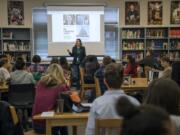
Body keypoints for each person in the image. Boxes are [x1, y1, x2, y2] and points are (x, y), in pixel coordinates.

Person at [85, 63, 139, 135]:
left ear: (105, 81)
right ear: (123, 80)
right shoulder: (135, 103)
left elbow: (90, 132)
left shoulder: (97, 104)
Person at [32, 64, 69, 135]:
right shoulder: (61, 87)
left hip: (36, 124)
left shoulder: (40, 84)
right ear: (61, 73)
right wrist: (66, 83)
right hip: (49, 125)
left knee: (60, 118)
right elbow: (69, 101)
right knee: (63, 118)